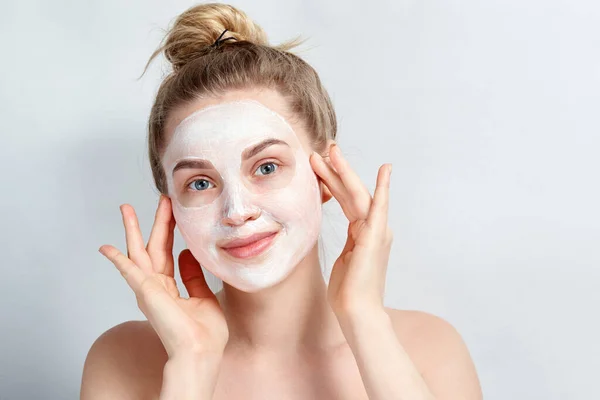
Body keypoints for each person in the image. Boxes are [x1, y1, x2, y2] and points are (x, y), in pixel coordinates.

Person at [80, 3, 483, 399]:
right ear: (170, 209)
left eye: (267, 167)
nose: (237, 212)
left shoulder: (430, 350)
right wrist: (192, 364)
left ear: (327, 177)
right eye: (201, 183)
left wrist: (364, 321)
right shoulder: (124, 360)